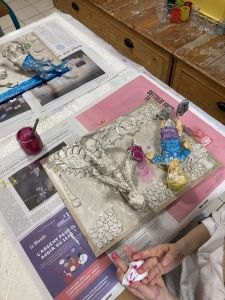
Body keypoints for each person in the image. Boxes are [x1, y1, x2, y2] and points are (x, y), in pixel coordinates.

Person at [112, 207, 225, 299]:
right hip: (173, 260)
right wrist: (182, 248)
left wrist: (163, 297)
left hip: (174, 293)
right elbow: (218, 222)